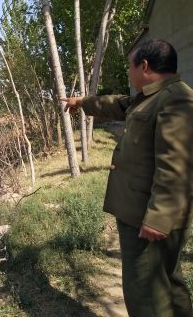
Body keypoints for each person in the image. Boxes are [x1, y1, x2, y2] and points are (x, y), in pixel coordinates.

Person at [62, 39, 193, 317]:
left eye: (130, 66)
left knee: (144, 292)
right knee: (168, 280)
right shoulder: (150, 96)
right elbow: (118, 104)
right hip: (147, 212)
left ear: (144, 66)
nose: (129, 73)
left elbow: (176, 164)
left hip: (148, 216)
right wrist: (82, 102)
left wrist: (157, 219)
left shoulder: (176, 98)